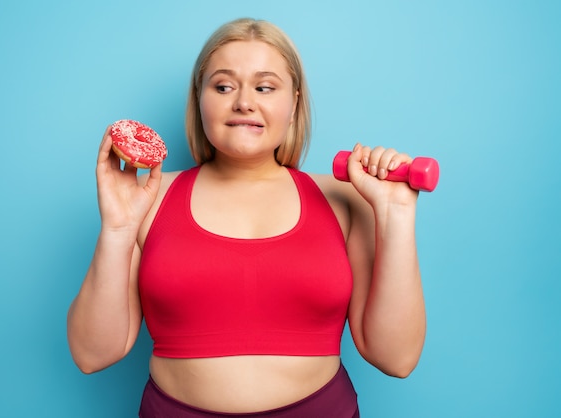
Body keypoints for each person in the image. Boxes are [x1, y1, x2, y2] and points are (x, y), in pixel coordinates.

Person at [67, 17, 426, 417]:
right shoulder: (146, 198)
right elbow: (91, 354)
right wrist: (118, 228)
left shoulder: (347, 198)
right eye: (222, 86)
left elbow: (397, 359)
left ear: (294, 103)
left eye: (265, 86)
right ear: (199, 98)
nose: (243, 102)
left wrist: (396, 216)